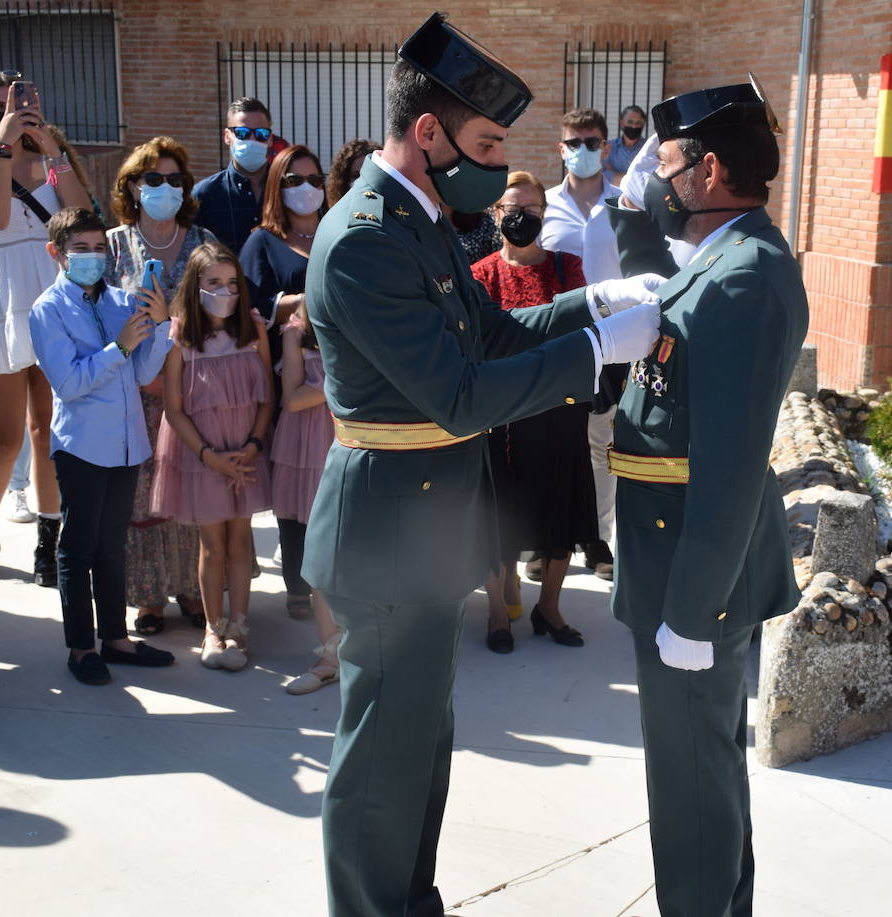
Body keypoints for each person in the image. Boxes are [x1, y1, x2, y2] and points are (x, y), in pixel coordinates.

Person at [302, 13, 664, 915]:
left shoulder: (419, 221)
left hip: (422, 525)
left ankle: (407, 896)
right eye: (486, 142)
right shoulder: (362, 238)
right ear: (428, 133)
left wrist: (593, 303)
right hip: (385, 528)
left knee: (421, 740)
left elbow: (495, 331)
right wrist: (597, 355)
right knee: (384, 754)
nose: (499, 165)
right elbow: (459, 394)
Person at [605, 84, 807, 916]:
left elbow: (726, 465)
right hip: (672, 548)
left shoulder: (746, 276)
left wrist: (690, 612)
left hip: (692, 567)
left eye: (669, 163)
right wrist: (626, 216)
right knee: (704, 774)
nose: (658, 176)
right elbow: (664, 291)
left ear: (711, 168)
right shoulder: (725, 259)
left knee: (691, 785)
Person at [0, 71, 95, 586]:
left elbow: (83, 217)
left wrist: (52, 152)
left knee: (49, 434)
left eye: (21, 99)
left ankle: (48, 547)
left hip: (54, 301)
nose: (11, 107)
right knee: (6, 437)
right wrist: (2, 148)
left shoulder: (52, 160)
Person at [28, 207, 176, 686]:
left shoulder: (119, 301)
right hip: (82, 447)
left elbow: (143, 373)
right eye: (80, 249)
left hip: (127, 444)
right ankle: (80, 647)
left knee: (112, 545)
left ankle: (115, 639)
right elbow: (70, 383)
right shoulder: (47, 310)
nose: (92, 257)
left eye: (98, 248)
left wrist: (161, 326)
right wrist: (119, 346)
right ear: (57, 253)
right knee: (78, 547)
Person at [472, 171, 597, 653]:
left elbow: (579, 331)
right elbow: (479, 343)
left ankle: (549, 607)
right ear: (495, 214)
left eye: (531, 209)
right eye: (510, 208)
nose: (520, 217)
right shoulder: (480, 274)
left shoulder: (568, 268)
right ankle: (499, 613)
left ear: (546, 214)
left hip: (557, 408)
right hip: (500, 415)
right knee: (498, 515)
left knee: (558, 509)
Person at [106, 136, 216, 634]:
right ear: (132, 186)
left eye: (175, 180)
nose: (165, 188)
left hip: (192, 391)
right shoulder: (110, 246)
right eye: (153, 179)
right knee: (143, 496)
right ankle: (148, 598)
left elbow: (218, 310)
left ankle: (193, 589)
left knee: (191, 489)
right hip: (133, 397)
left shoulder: (204, 242)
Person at [152, 242, 273, 672]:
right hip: (201, 455)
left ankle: (239, 627)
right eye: (213, 283)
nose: (225, 291)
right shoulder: (180, 336)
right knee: (212, 545)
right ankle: (212, 627)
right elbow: (174, 409)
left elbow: (266, 399)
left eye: (232, 283)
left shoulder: (253, 329)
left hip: (244, 453)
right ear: (195, 286)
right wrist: (209, 456)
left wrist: (254, 447)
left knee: (241, 542)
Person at [241, 144, 325, 619]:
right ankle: (297, 583)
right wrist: (312, 297)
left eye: (314, 179)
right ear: (276, 185)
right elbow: (255, 307)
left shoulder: (338, 232)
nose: (306, 188)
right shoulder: (262, 241)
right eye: (293, 180)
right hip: (288, 372)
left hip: (344, 375)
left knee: (331, 486)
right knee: (295, 485)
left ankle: (332, 581)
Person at [541, 106, 626, 581]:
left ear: (606, 147)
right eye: (574, 143)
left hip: (613, 340)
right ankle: (547, 540)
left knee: (600, 445)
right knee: (553, 440)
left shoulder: (626, 205)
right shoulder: (545, 205)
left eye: (591, 142)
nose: (582, 151)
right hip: (560, 339)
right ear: (561, 149)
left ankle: (597, 540)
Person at [272, 303, 341, 693]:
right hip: (311, 448)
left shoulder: (364, 315)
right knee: (322, 552)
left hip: (359, 440)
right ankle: (330, 655)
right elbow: (294, 398)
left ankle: (363, 651)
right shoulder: (296, 329)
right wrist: (343, 380)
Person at [192, 97, 274, 254]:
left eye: (261, 133)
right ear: (227, 136)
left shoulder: (287, 188)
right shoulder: (204, 194)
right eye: (242, 133)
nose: (252, 140)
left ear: (270, 139)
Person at [325, 138, 379, 208]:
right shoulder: (335, 216)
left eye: (370, 175)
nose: (364, 182)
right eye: (356, 176)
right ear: (343, 181)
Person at [603, 104, 647, 186]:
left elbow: (648, 180)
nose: (634, 126)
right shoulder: (609, 147)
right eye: (630, 122)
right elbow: (603, 177)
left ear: (643, 125)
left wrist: (615, 174)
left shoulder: (648, 148)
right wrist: (635, 180)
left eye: (638, 123)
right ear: (621, 123)